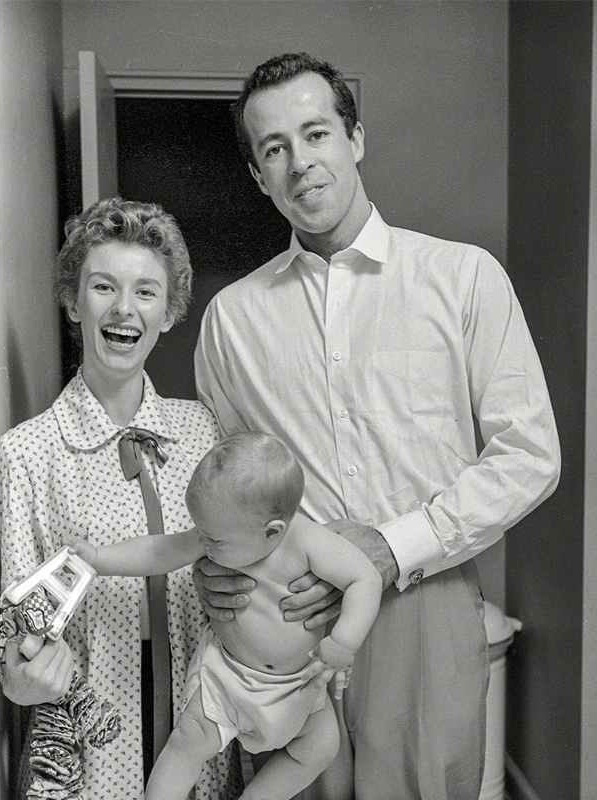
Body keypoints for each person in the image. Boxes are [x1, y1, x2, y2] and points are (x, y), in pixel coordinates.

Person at [193, 52, 561, 800]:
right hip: (287, 616)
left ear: (355, 138)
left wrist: (392, 549)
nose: (301, 163)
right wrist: (215, 560)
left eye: (317, 133)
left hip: (427, 607)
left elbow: (529, 456)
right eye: (274, 148)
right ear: (259, 176)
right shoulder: (232, 319)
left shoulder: (463, 280)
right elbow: (223, 480)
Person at [0, 198, 242, 799]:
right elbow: (13, 636)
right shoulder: (26, 453)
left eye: (146, 292)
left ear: (169, 311)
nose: (123, 308)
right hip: (91, 742)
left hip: (197, 726)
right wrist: (23, 681)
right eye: (103, 285)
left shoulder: (201, 431)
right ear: (74, 302)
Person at [71, 430, 383, 800]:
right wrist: (98, 559)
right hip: (227, 679)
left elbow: (366, 577)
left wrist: (344, 641)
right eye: (201, 532)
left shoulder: (309, 543)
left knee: (321, 748)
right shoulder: (214, 533)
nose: (203, 542)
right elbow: (158, 552)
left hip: (298, 686)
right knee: (188, 741)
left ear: (272, 532)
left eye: (214, 540)